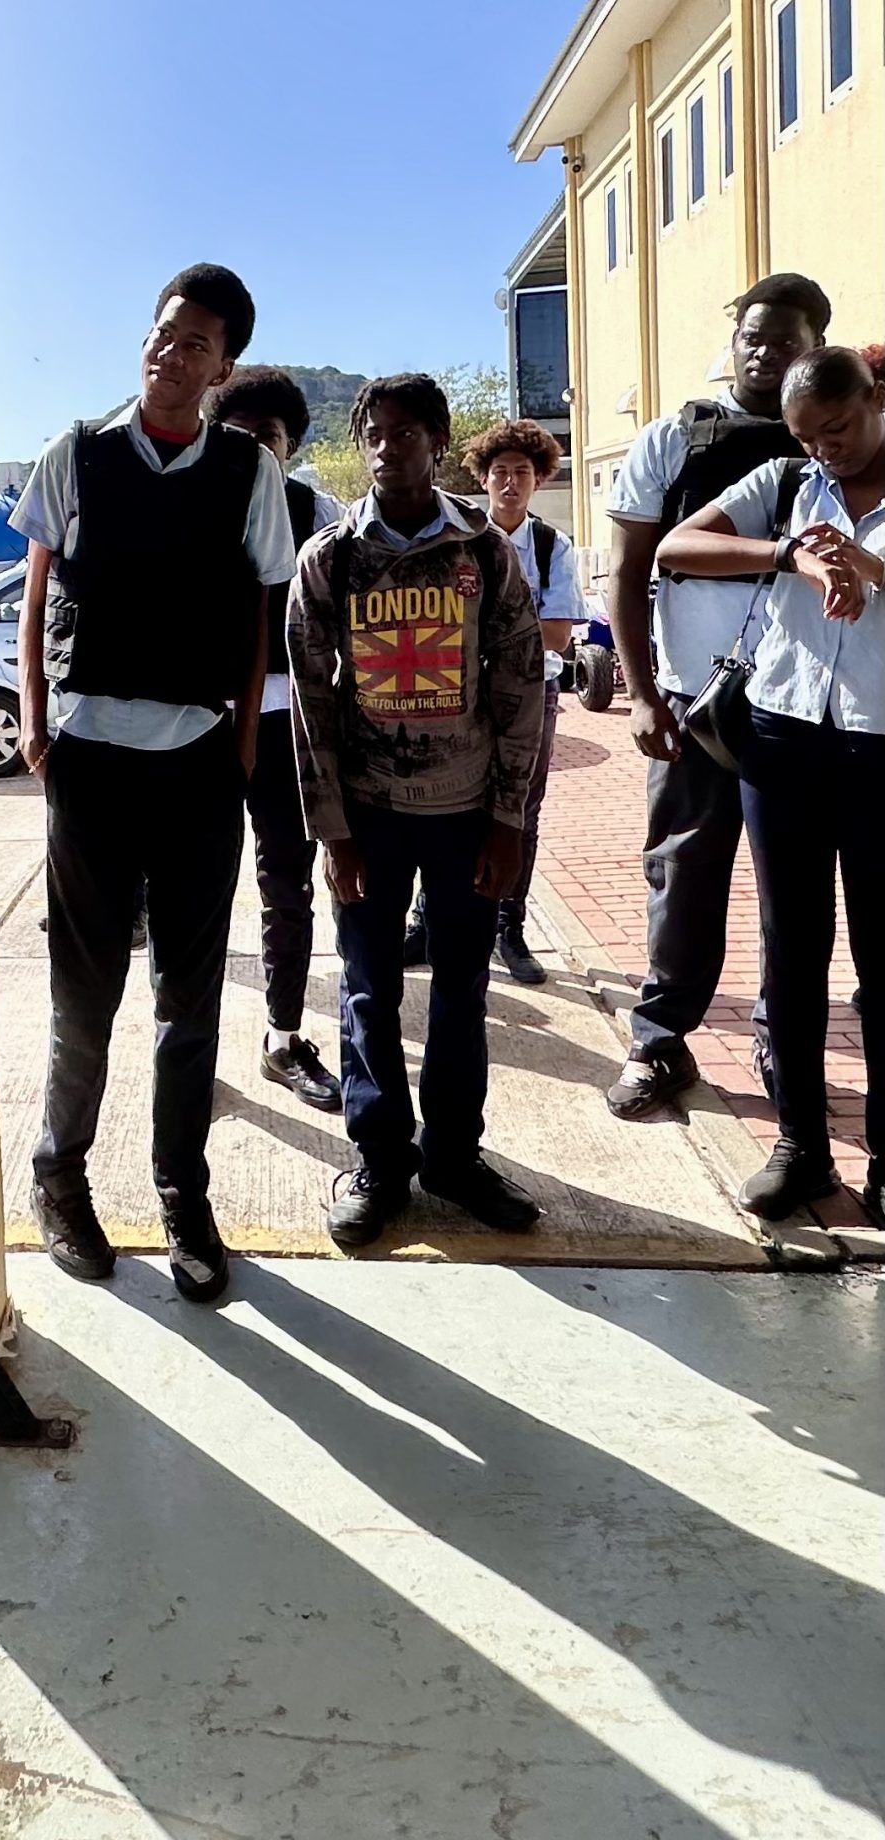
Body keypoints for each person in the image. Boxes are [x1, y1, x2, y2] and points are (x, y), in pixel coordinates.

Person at [11, 264, 298, 1302]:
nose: (170, 353)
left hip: (195, 762)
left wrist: (242, 746)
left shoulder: (243, 470)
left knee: (188, 998)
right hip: (89, 756)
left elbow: (259, 608)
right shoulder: (76, 453)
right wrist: (37, 725)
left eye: (194, 345)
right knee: (81, 992)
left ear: (223, 367)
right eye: (162, 333)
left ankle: (182, 1190)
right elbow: (41, 578)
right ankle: (60, 1177)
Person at [288, 376, 549, 1251]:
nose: (385, 445)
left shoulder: (486, 552)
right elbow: (312, 709)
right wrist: (330, 827)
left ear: (439, 442)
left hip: (467, 810)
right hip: (369, 815)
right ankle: (380, 1161)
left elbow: (519, 688)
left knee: (463, 993)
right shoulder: (330, 560)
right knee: (368, 992)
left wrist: (509, 818)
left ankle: (454, 1157)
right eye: (373, 430)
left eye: (406, 432)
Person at [658, 345, 885, 1227]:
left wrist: (863, 567)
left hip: (879, 750)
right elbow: (680, 546)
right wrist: (791, 553)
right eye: (805, 434)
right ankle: (800, 1147)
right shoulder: (788, 481)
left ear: (875, 396)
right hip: (784, 741)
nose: (823, 448)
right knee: (793, 950)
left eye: (837, 427)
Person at [604, 273, 830, 1118]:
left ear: (817, 350)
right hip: (694, 709)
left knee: (793, 891)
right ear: (733, 338)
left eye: (788, 339)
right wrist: (639, 695)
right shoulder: (679, 437)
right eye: (756, 335)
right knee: (685, 873)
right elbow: (630, 573)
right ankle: (660, 1042)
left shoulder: (834, 447)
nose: (767, 350)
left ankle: (783, 1043)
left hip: (805, 716)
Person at [402, 421, 587, 984]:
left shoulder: (554, 547)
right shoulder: (459, 542)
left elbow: (558, 636)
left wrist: (486, 630)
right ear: (482, 478)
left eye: (522, 473)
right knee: (439, 805)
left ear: (539, 480)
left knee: (519, 812)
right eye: (500, 472)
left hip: (532, 695)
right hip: (460, 694)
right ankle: (424, 922)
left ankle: (509, 926)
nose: (510, 483)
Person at [209, 365, 346, 1113]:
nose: (256, 450)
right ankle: (186, 1046)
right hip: (197, 722)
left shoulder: (316, 509)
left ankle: (282, 1037)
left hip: (287, 720)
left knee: (286, 885)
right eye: (242, 435)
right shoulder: (190, 498)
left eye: (270, 437)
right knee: (189, 889)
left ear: (291, 445)